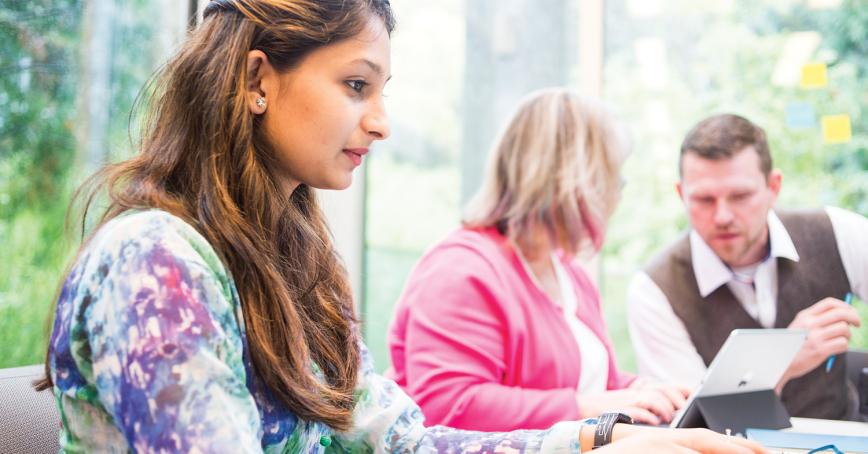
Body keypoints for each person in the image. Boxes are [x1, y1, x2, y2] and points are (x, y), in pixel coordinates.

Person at [34, 1, 769, 452]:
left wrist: (601, 440)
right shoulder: (158, 263)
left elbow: (402, 441)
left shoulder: (298, 271)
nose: (381, 123)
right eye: (357, 86)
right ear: (257, 80)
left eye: (382, 92)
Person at [385, 88, 695, 432]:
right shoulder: (461, 270)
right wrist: (585, 408)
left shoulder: (568, 270)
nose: (617, 195)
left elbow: (591, 378)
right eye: (615, 178)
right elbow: (451, 405)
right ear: (579, 182)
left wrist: (640, 391)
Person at [626, 114, 866, 421]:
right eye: (704, 199)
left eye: (740, 196)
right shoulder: (654, 290)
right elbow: (695, 426)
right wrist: (780, 361)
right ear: (681, 195)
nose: (723, 216)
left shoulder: (837, 231)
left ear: (773, 187)